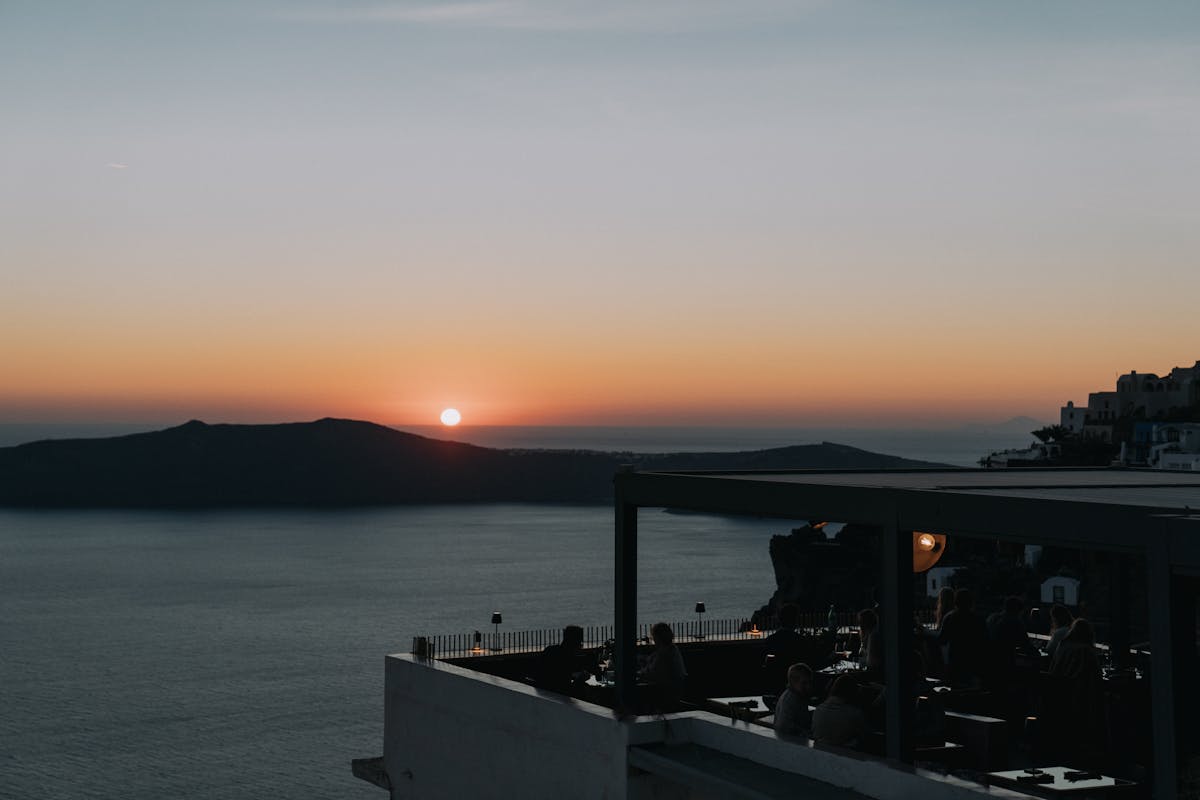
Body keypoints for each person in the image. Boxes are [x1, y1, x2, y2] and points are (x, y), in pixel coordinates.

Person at [936, 588, 988, 686]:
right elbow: (985, 642)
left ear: (955, 602)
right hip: (974, 662)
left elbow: (942, 640)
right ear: (971, 603)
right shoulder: (979, 619)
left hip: (955, 662)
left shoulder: (950, 618)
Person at [639, 622, 687, 708]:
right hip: (673, 691)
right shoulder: (671, 648)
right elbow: (652, 659)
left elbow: (652, 673)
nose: (653, 639)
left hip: (666, 695)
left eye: (653, 637)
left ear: (658, 637)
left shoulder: (665, 653)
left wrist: (640, 672)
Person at [812, 675, 867, 749]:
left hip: (819, 750)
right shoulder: (855, 713)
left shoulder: (818, 709)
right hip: (844, 753)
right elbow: (864, 734)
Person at [536, 625, 591, 695]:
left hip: (543, 691)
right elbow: (565, 687)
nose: (581, 646)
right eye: (580, 643)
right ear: (576, 643)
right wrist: (580, 679)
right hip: (557, 695)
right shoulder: (567, 657)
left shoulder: (550, 650)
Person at [763, 604, 804, 690]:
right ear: (796, 620)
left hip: (775, 682)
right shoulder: (800, 640)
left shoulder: (770, 640)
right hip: (797, 683)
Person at [773, 663, 814, 741]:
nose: (809, 686)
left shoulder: (799, 696)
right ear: (793, 682)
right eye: (804, 683)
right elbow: (783, 726)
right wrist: (804, 732)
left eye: (810, 682)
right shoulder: (790, 699)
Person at [857, 608, 883, 678]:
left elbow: (871, 662)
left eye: (861, 621)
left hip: (874, 674)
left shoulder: (873, 636)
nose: (860, 624)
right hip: (873, 671)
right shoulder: (871, 634)